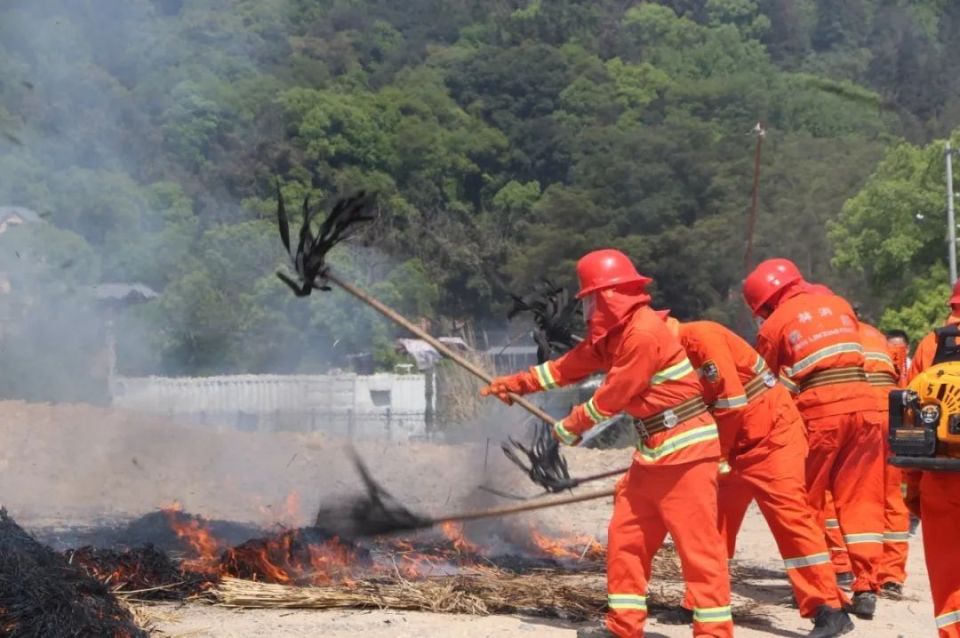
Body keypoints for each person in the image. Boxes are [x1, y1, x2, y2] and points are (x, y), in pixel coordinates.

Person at [481, 249, 732, 638]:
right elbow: (567, 368)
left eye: (591, 299)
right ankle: (624, 628)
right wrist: (516, 384)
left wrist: (571, 426)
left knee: (698, 551)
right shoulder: (613, 335)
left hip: (686, 453)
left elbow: (613, 395)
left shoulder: (644, 332)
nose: (587, 309)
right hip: (654, 454)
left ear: (610, 296)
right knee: (626, 538)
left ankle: (714, 633)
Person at [656, 315, 853, 637]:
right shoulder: (669, 358)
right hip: (734, 443)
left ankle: (829, 607)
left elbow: (731, 403)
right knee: (710, 523)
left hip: (772, 439)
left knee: (791, 520)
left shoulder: (700, 337)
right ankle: (699, 601)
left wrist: (716, 454)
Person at [742, 259, 885, 619]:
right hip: (866, 405)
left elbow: (765, 385)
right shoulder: (840, 305)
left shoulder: (775, 325)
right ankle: (866, 586)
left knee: (807, 502)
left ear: (765, 304)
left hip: (823, 411)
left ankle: (822, 588)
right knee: (862, 498)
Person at [902, 280, 960, 637]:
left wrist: (913, 487)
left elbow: (909, 420)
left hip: (942, 477)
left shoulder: (932, 345)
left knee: (949, 574)